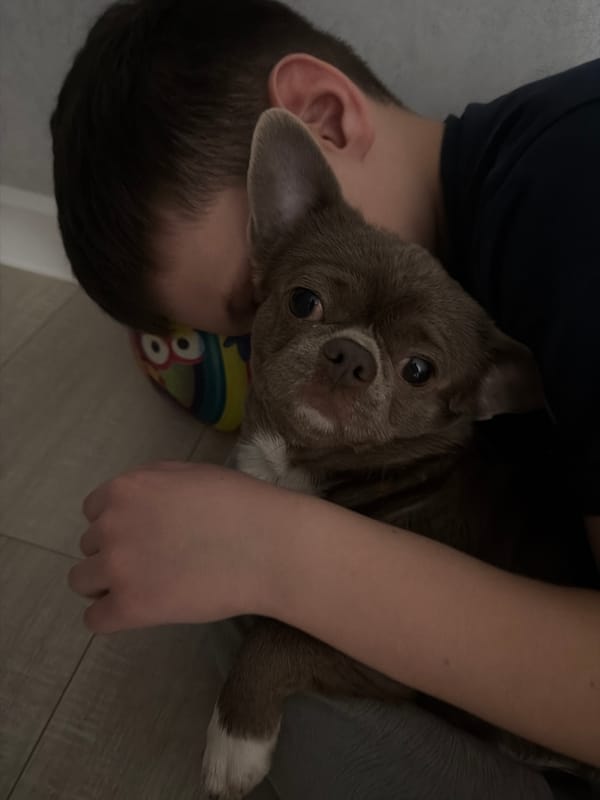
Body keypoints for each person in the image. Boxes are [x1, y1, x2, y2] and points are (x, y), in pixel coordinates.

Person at [52, 0, 600, 796]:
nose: (329, 352)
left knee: (282, 678)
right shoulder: (502, 211)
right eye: (294, 305)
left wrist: (276, 554)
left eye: (261, 298)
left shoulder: (572, 200)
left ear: (321, 121)